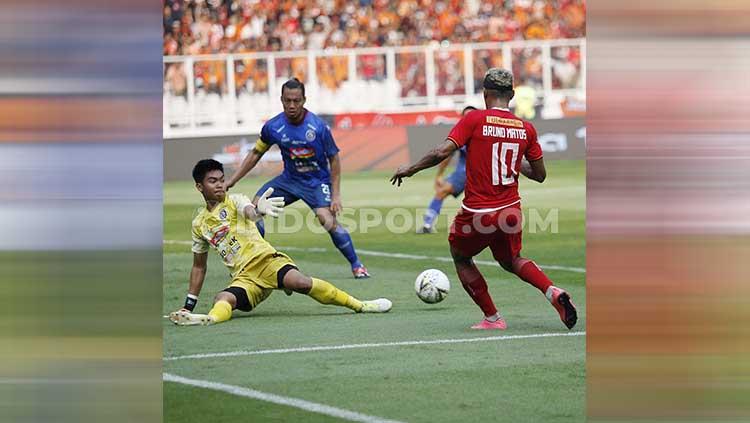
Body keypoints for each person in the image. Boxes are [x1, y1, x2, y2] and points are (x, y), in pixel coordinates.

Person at [390, 68, 577, 331]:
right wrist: (514, 162)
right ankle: (552, 291)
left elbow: (441, 152)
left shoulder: (475, 119)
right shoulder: (526, 128)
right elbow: (540, 175)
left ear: (485, 93)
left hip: (478, 211)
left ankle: (493, 318)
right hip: (511, 210)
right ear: (511, 95)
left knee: (460, 255)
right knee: (512, 260)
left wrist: (410, 169)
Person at [169, 159, 391, 326]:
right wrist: (188, 306)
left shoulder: (235, 200)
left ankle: (360, 305)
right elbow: (199, 266)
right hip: (244, 277)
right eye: (212, 181)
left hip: (267, 262)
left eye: (221, 180)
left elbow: (251, 212)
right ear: (199, 187)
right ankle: (208, 319)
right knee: (223, 298)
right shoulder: (199, 224)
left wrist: (258, 211)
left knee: (302, 283)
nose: (219, 185)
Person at [226, 78, 370, 279]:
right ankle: (252, 264)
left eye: (296, 100)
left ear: (304, 100)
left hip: (317, 182)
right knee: (255, 209)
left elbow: (334, 159)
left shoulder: (318, 127)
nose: (292, 105)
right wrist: (233, 180)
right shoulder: (273, 126)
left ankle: (357, 265)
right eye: (287, 101)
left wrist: (336, 195)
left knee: (326, 219)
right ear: (281, 100)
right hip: (289, 180)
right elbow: (256, 153)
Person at [419, 105, 476, 233]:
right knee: (441, 192)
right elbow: (447, 155)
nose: (468, 118)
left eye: (471, 115)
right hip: (463, 174)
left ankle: (428, 224)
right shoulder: (462, 133)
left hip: (477, 174)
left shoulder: (481, 133)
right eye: (466, 116)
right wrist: (439, 174)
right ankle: (427, 225)